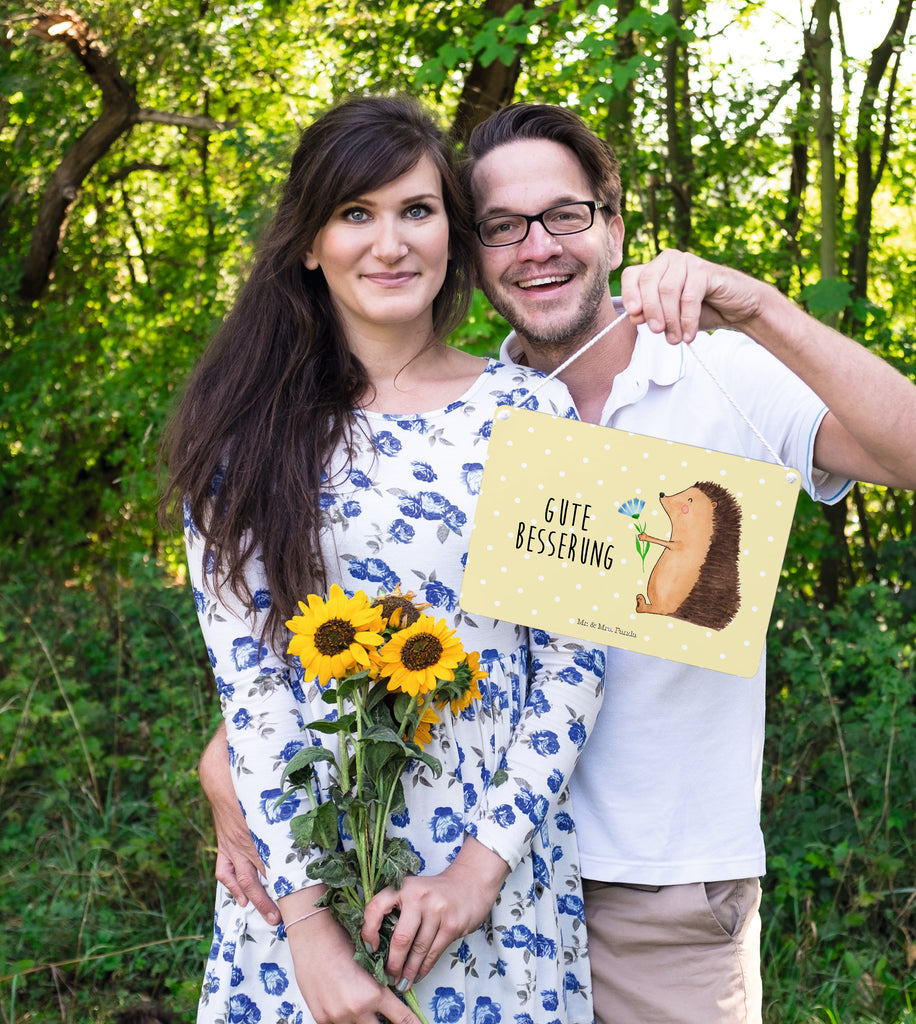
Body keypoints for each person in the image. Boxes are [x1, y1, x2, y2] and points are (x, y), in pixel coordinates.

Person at [202, 102, 916, 1024]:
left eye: (565, 215)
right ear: (474, 250)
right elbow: (332, 635)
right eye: (502, 226)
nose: (537, 247)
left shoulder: (709, 373)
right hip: (429, 876)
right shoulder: (462, 414)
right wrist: (234, 770)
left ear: (612, 225)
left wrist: (759, 306)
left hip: (652, 887)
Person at [163, 96, 608, 1024]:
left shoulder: (536, 414)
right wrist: (311, 937)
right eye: (355, 214)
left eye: (417, 210)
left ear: (452, 230)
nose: (391, 243)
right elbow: (253, 692)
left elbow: (574, 664)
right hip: (302, 886)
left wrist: (478, 874)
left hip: (493, 888)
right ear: (309, 243)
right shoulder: (243, 438)